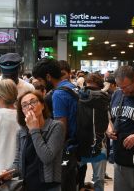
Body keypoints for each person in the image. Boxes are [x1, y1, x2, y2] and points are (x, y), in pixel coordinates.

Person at [32, 58, 78, 191]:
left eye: (40, 80)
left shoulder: (58, 94)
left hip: (66, 151)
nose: (41, 84)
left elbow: (60, 130)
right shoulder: (72, 87)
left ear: (48, 76)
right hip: (75, 149)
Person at [6, 91, 65, 191]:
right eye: (24, 105)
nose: (29, 107)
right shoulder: (21, 132)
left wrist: (34, 130)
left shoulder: (56, 126)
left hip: (49, 187)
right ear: (22, 111)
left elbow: (47, 157)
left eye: (33, 102)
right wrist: (9, 173)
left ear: (42, 105)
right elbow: (18, 162)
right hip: (26, 186)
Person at [0, 53, 34, 128]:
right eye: (6, 76)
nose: (9, 80)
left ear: (19, 69)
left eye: (12, 76)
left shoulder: (29, 88)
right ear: (1, 72)